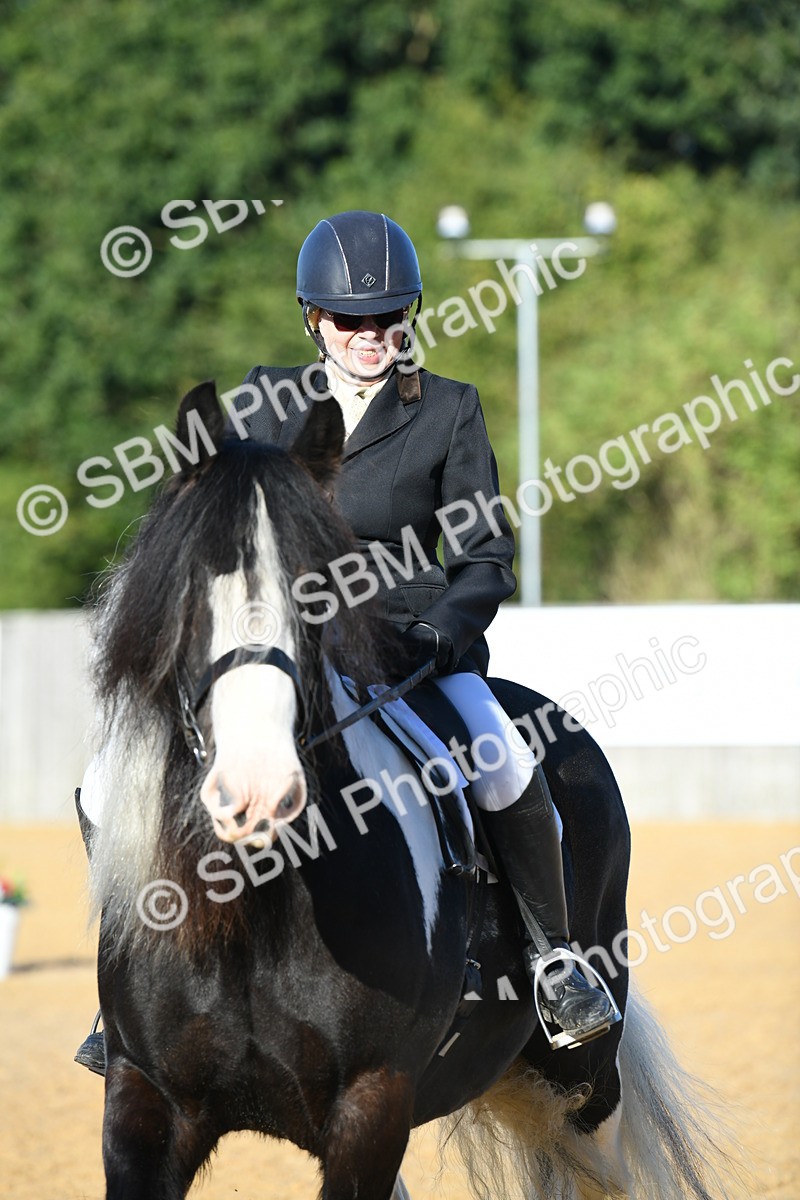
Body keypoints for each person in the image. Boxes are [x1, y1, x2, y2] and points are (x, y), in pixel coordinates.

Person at [74, 210, 615, 1076]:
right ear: (313, 320)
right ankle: (126, 986)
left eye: (389, 318)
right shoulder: (262, 400)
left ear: (411, 316)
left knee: (506, 758)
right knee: (108, 779)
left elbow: (484, 554)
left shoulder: (447, 410)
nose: (372, 335)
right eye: (350, 320)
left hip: (407, 648)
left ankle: (554, 962)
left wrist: (443, 635)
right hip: (280, 649)